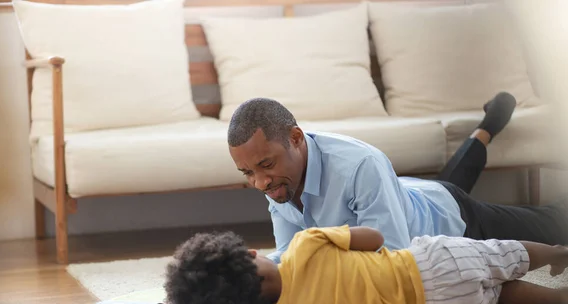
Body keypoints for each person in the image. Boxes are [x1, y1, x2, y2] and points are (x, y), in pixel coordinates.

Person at [226, 94, 568, 264]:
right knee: (445, 183)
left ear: (296, 138)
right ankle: (488, 127)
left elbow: (391, 258)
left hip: (454, 220)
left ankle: (489, 125)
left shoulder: (360, 166)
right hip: (408, 193)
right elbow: (289, 255)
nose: (260, 183)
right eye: (248, 174)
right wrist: (252, 266)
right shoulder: (276, 178)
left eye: (265, 165)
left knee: (553, 224)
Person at [164, 225, 568, 304]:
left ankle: (562, 299)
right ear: (249, 254)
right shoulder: (305, 245)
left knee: (501, 293)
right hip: (433, 265)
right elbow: (374, 238)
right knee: (502, 254)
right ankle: (555, 254)